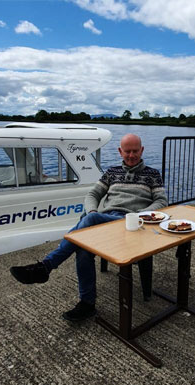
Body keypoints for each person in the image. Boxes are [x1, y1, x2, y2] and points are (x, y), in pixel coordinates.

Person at [10, 133, 168, 322]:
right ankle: (87, 304)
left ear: (142, 150)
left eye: (135, 151)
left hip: (132, 225)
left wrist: (139, 216)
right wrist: (92, 209)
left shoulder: (152, 174)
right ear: (120, 151)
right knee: (83, 248)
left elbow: (161, 201)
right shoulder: (111, 172)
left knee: (88, 226)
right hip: (106, 220)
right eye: (128, 151)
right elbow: (92, 194)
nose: (131, 155)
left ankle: (46, 266)